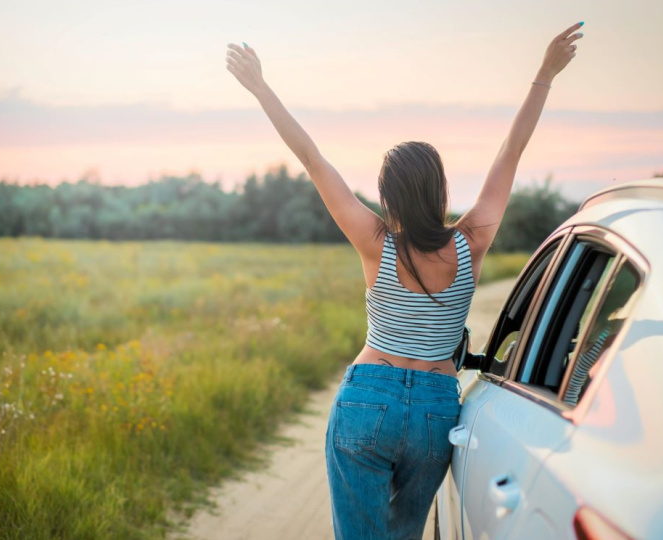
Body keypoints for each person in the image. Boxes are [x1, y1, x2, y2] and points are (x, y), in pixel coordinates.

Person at [225, 22, 583, 540]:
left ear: (387, 197)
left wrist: (260, 87)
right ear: (441, 191)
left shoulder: (375, 242)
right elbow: (510, 154)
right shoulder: (472, 241)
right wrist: (545, 74)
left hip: (368, 396)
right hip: (437, 409)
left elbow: (311, 158)